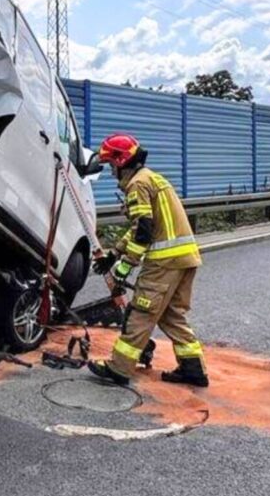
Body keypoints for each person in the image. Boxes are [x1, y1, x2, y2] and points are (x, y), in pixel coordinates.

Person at [87, 133, 209, 387]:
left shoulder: (137, 185)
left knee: (140, 313)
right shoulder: (151, 178)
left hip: (164, 262)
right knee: (170, 315)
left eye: (111, 165)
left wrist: (125, 265)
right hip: (185, 258)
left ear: (121, 162)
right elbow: (141, 227)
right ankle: (193, 368)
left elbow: (143, 231)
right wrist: (114, 254)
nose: (112, 172)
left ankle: (119, 368)